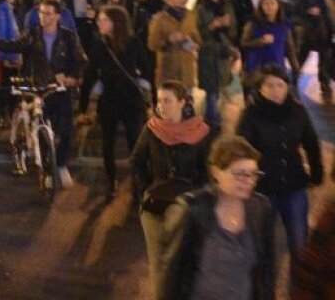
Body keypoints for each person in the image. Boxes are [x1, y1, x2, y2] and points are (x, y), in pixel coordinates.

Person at [0, 0, 86, 188]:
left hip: (61, 90)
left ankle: (61, 165)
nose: (43, 17)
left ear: (57, 16)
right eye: (41, 13)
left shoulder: (69, 37)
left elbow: (80, 60)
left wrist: (72, 77)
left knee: (66, 131)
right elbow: (11, 45)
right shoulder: (32, 34)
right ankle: (47, 169)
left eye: (47, 13)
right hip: (40, 87)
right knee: (41, 127)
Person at [159, 135, 277, 300]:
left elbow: (266, 269)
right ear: (216, 172)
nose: (249, 181)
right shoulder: (193, 211)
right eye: (240, 174)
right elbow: (172, 275)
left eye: (253, 174)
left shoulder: (260, 208)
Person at [235, 64, 323, 255]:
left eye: (280, 85)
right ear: (260, 88)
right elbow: (240, 152)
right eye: (270, 86)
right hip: (263, 187)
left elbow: (311, 142)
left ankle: (299, 281)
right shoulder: (250, 115)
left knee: (299, 238)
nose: (276, 91)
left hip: (293, 182)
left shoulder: (297, 111)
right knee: (262, 242)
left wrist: (317, 173)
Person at [129, 80, 213, 275]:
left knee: (185, 262)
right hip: (155, 201)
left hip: (188, 202)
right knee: (158, 264)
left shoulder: (201, 131)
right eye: (159, 101)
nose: (161, 106)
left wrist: (197, 194)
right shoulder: (152, 129)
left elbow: (208, 170)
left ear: (182, 103)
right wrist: (145, 190)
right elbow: (136, 162)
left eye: (167, 101)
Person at [81, 6, 152, 199]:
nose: (99, 23)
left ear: (116, 22)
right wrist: (84, 105)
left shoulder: (134, 43)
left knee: (135, 144)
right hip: (110, 100)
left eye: (104, 20)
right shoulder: (99, 45)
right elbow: (89, 75)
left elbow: (146, 70)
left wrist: (148, 98)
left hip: (131, 100)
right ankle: (111, 182)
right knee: (108, 143)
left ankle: (138, 184)